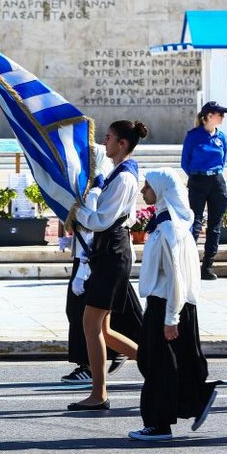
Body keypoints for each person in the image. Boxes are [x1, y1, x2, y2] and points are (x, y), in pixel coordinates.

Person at [129, 168, 218, 441]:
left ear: (163, 190)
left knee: (155, 362)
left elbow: (175, 275)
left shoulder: (168, 228)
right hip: (172, 304)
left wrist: (171, 317)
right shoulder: (170, 223)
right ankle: (196, 399)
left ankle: (158, 424)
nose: (143, 191)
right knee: (172, 361)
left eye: (147, 186)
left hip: (167, 303)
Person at [65, 120, 147, 410]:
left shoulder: (124, 177)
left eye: (110, 138)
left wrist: (77, 213)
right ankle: (162, 370)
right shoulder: (119, 173)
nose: (105, 142)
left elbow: (102, 219)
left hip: (113, 252)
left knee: (91, 325)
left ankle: (99, 394)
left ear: (122, 143)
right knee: (104, 330)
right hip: (108, 252)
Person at [181, 101, 227, 280]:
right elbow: (185, 162)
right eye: (220, 114)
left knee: (215, 226)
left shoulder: (221, 137)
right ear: (209, 116)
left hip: (216, 181)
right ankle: (191, 265)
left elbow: (223, 160)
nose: (222, 117)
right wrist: (197, 176)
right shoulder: (193, 136)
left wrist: (213, 175)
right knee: (195, 223)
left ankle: (207, 265)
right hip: (198, 180)